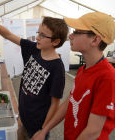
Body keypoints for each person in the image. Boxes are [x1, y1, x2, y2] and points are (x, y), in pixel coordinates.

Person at [0, 9, 68, 139]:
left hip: (38, 127)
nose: (37, 37)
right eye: (38, 33)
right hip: (23, 118)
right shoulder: (33, 49)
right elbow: (8, 35)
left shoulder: (57, 68)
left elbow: (55, 104)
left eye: (42, 35)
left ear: (55, 42)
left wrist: (43, 130)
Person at [31, 11, 115, 140]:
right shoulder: (83, 70)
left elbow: (93, 132)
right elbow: (70, 101)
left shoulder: (108, 77)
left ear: (95, 39)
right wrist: (44, 130)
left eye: (77, 32)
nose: (70, 35)